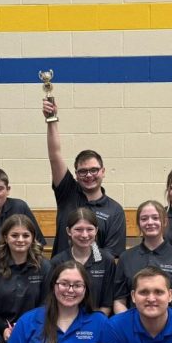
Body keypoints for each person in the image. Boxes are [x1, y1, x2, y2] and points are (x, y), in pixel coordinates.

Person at [42, 95, 126, 256]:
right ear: (76, 174)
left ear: (103, 171)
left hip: (94, 277)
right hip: (60, 275)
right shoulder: (67, 192)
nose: (89, 175)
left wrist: (87, 263)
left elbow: (110, 256)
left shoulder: (114, 211)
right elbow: (55, 156)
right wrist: (51, 120)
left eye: (94, 170)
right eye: (83, 171)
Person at [0, 214, 50, 343]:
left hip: (35, 326)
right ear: (6, 238)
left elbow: (46, 304)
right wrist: (4, 329)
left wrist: (26, 327)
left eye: (25, 235)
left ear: (33, 238)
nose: (20, 240)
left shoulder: (45, 267)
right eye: (14, 235)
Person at [113, 200, 172, 314]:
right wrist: (129, 325)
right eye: (144, 219)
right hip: (133, 326)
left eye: (155, 218)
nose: (150, 222)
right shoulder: (125, 258)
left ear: (164, 222)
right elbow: (119, 301)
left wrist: (169, 324)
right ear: (139, 224)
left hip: (170, 326)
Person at [49, 206, 117, 315]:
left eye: (89, 229)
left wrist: (94, 325)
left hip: (97, 322)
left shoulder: (106, 260)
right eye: (78, 229)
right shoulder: (57, 262)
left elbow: (107, 304)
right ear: (69, 231)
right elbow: (52, 301)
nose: (84, 235)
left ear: (96, 231)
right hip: (65, 320)